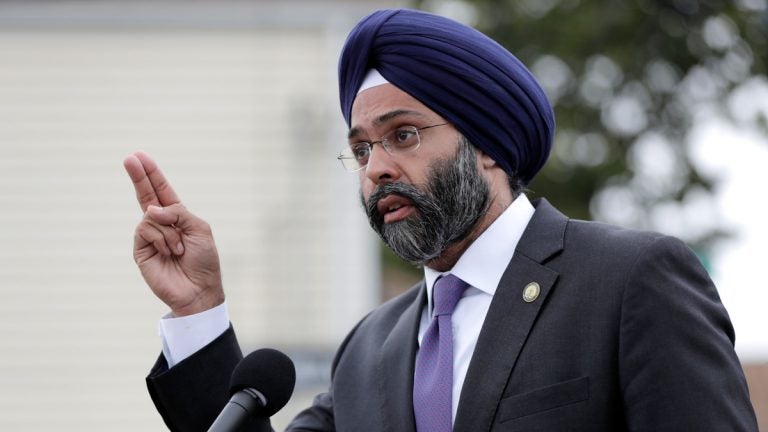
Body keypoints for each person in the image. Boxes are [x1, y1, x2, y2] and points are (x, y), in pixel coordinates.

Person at [124, 8, 758, 432]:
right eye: (363, 148)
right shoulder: (369, 349)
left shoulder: (628, 282)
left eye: (402, 134)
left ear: (486, 144)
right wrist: (198, 310)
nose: (375, 169)